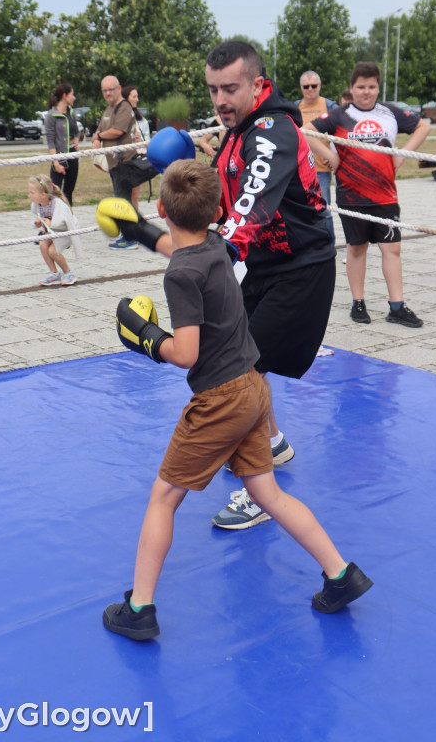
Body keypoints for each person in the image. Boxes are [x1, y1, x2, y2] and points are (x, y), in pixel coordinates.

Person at [99, 159, 373, 641]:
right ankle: (340, 573)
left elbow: (186, 353)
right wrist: (141, 232)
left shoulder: (181, 276)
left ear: (162, 208)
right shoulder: (217, 246)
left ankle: (139, 609)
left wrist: (145, 337)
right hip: (253, 387)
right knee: (267, 493)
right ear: (218, 209)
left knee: (163, 499)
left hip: (220, 399)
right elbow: (179, 249)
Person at [103, 41, 337, 532]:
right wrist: (149, 223)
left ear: (257, 84)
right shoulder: (237, 131)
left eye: (230, 88)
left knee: (238, 372)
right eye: (213, 90)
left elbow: (249, 207)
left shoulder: (271, 132)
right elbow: (216, 204)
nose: (220, 100)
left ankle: (258, 488)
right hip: (263, 266)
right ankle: (271, 442)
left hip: (300, 271)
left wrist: (165, 244)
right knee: (244, 362)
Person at [303, 61, 430, 328]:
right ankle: (357, 303)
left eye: (372, 87)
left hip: (385, 197)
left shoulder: (391, 113)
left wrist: (402, 154)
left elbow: (423, 127)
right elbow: (306, 133)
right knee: (357, 249)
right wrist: (329, 156)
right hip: (352, 197)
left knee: (392, 249)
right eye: (361, 87)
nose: (366, 92)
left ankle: (397, 306)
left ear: (377, 87)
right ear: (352, 88)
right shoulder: (340, 114)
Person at [91, 75, 137, 250]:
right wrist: (96, 137)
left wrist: (99, 136)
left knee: (123, 201)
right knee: (121, 198)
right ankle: (130, 235)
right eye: (105, 90)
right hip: (113, 163)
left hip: (124, 162)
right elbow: (101, 129)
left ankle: (130, 238)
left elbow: (118, 131)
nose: (108, 93)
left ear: (119, 88)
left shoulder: (124, 107)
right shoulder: (109, 109)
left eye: (111, 89)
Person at [295, 70, 338, 241]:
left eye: (314, 86)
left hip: (321, 168)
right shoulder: (295, 107)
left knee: (324, 209)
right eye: (306, 86)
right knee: (301, 210)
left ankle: (329, 244)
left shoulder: (330, 106)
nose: (310, 89)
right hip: (297, 168)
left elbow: (342, 133)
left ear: (320, 86)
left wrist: (333, 154)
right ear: (301, 88)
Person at [28, 174, 80, 286]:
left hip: (66, 231)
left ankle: (68, 273)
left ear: (43, 195)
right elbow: (40, 219)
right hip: (53, 231)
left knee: (53, 251)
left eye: (32, 193)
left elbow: (65, 223)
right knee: (42, 244)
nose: (29, 195)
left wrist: (50, 224)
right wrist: (38, 223)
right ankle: (54, 273)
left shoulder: (59, 205)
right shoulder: (38, 204)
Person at [44, 83, 80, 207]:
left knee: (69, 192)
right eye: (72, 94)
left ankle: (68, 219)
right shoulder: (51, 115)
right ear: (64, 95)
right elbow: (50, 140)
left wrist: (76, 139)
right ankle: (54, 221)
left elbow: (76, 130)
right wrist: (56, 163)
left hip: (73, 157)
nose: (74, 97)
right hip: (58, 158)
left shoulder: (71, 112)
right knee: (55, 193)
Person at [121, 85, 150, 211]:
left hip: (136, 160)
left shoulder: (141, 120)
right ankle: (124, 226)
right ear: (126, 99)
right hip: (121, 160)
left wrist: (139, 141)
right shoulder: (119, 118)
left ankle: (134, 225)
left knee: (134, 195)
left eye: (137, 96)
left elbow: (147, 141)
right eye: (134, 96)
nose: (137, 99)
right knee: (122, 195)